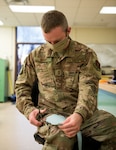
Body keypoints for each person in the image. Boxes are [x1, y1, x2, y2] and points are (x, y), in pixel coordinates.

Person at [15, 10, 116, 150]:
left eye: (57, 41)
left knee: (111, 124)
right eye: (48, 41)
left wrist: (79, 115)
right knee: (63, 138)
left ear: (68, 31)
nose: (52, 45)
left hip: (81, 112)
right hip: (48, 114)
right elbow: (21, 86)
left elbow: (88, 89)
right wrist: (28, 110)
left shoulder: (85, 55)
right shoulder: (36, 56)